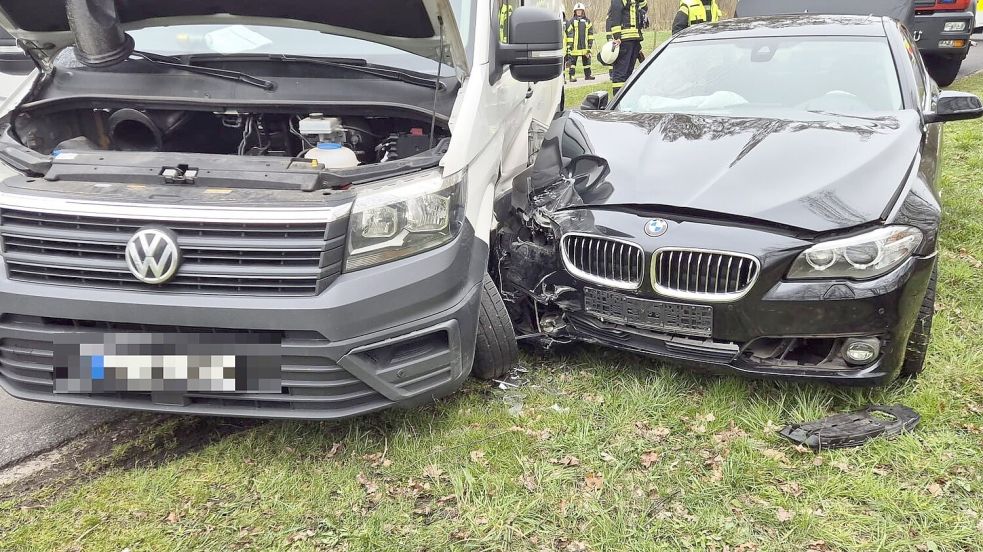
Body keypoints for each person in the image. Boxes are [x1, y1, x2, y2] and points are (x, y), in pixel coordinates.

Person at [607, 0, 648, 94]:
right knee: (620, 73)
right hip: (623, 40)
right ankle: (618, 102)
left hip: (635, 39)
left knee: (629, 72)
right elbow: (615, 16)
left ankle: (626, 99)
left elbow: (644, 8)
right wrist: (617, 37)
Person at [565, 3, 595, 82]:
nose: (579, 12)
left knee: (587, 62)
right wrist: (569, 45)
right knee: (572, 62)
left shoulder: (587, 21)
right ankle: (572, 76)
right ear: (575, 12)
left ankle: (588, 75)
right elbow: (569, 33)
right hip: (574, 47)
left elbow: (590, 34)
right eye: (577, 11)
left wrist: (589, 45)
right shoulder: (571, 21)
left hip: (585, 46)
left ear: (583, 11)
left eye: (580, 10)